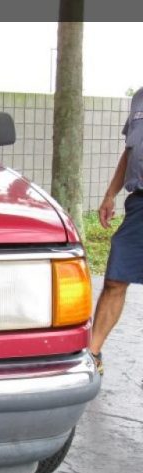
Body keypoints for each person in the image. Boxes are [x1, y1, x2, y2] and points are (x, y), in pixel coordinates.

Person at [89, 86, 143, 375]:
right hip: (140, 206)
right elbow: (130, 153)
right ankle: (92, 353)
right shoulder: (139, 98)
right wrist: (110, 194)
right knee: (115, 278)